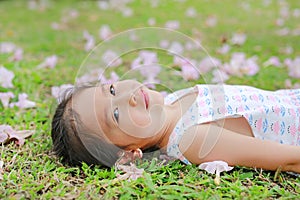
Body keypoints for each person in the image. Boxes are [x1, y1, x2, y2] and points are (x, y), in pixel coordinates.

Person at [51, 79, 300, 174]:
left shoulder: (172, 101)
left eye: (112, 89)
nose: (129, 96)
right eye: (116, 114)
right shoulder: (192, 138)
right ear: (128, 153)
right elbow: (289, 159)